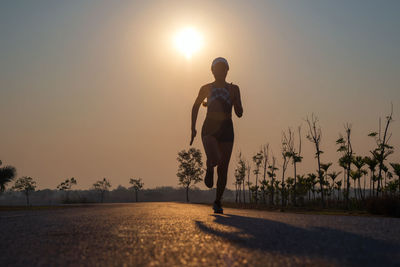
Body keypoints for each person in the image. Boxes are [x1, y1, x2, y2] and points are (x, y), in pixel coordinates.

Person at [190, 57, 243, 214]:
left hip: (227, 128)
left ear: (227, 71)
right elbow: (195, 106)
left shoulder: (234, 89)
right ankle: (209, 165)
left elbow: (239, 113)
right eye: (217, 69)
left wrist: (235, 100)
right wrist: (192, 128)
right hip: (210, 127)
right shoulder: (206, 88)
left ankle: (218, 201)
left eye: (223, 68)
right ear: (212, 71)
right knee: (215, 159)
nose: (220, 71)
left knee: (223, 168)